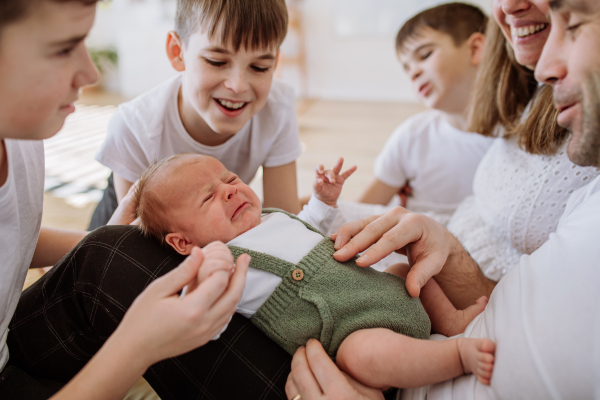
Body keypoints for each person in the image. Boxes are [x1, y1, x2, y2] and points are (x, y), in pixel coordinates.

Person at [285, 0, 600, 398]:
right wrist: (447, 250)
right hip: (432, 299)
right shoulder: (537, 116)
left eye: (572, 26)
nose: (545, 69)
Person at [0, 0, 251, 399]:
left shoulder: (19, 133)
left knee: (118, 248)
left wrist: (116, 239)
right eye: (63, 49)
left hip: (14, 338)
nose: (91, 72)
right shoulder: (135, 122)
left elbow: (10, 235)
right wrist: (138, 347)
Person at [131, 153, 495, 389]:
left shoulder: (271, 217)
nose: (230, 191)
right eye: (209, 197)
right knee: (360, 356)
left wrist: (323, 199)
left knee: (407, 268)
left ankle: (450, 321)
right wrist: (199, 281)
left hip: (383, 290)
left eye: (230, 179)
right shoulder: (220, 262)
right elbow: (204, 315)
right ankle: (455, 355)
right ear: (183, 243)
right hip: (352, 330)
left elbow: (310, 224)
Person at [88, 0, 302, 230]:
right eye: (217, 62)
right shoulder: (135, 126)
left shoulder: (277, 107)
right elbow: (136, 249)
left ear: (275, 62)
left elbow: (284, 221)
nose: (238, 86)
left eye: (259, 67)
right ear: (177, 52)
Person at [358, 3, 494, 218]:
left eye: (424, 55)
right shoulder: (411, 136)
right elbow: (361, 211)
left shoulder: (517, 140)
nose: (413, 73)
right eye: (407, 68)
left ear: (475, 49)